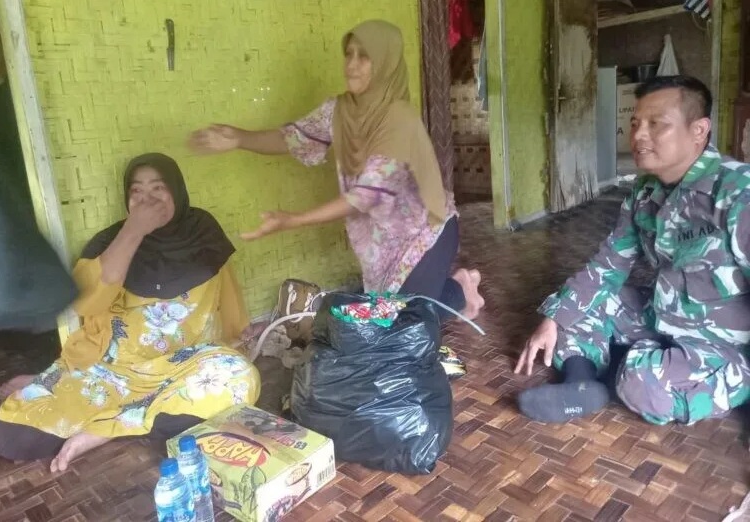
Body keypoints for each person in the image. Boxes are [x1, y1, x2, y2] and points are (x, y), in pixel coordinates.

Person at [189, 20, 485, 375]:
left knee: (405, 323)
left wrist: (293, 220)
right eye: (349, 54)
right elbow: (293, 138)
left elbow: (366, 196)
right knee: (388, 317)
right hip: (382, 242)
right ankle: (458, 287)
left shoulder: (399, 120)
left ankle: (459, 290)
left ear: (386, 62)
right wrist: (239, 138)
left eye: (364, 57)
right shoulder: (340, 110)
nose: (352, 65)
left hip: (426, 233)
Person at [0, 153, 260, 472]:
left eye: (158, 188)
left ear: (177, 191)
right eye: (137, 191)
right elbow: (87, 305)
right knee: (11, 437)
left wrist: (239, 332)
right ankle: (124, 413)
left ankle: (102, 431)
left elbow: (227, 291)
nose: (147, 200)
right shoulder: (110, 241)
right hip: (108, 373)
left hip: (181, 367)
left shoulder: (202, 231)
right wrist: (134, 231)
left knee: (241, 378)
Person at [515, 75, 750, 426]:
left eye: (657, 124)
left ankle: (725, 380)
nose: (639, 135)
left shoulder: (737, 192)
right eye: (636, 123)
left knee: (642, 383)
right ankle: (581, 385)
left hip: (722, 343)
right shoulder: (644, 191)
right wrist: (554, 319)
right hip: (663, 315)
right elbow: (608, 265)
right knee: (576, 307)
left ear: (699, 130)